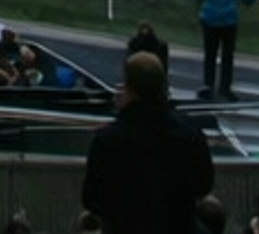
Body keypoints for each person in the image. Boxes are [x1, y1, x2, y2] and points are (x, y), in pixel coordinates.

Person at [80, 49, 214, 234]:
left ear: (129, 88)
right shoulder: (190, 134)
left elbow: (93, 200)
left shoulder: (107, 141)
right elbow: (203, 185)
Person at [191, 0, 256, 100]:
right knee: (227, 57)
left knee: (210, 55)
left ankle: (208, 86)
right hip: (228, 22)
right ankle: (225, 88)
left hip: (210, 21)